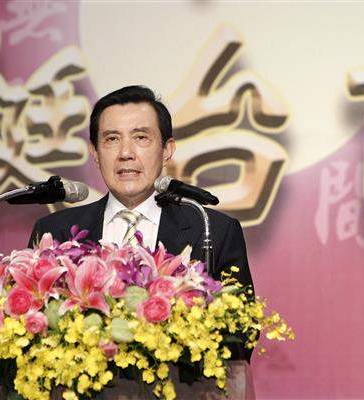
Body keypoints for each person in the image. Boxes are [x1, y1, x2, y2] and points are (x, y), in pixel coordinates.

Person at [28, 86, 254, 359]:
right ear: (95, 153)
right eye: (112, 139)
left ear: (167, 149)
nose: (126, 153)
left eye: (141, 137)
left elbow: (241, 336)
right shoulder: (53, 232)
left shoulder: (213, 230)